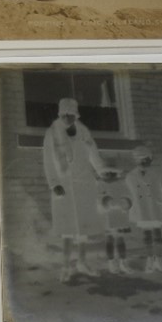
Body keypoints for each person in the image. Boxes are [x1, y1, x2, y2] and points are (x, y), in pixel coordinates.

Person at [42, 97, 107, 283]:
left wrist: (102, 172)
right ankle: (66, 266)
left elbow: (94, 154)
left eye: (71, 114)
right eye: (64, 115)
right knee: (68, 230)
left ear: (76, 115)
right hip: (65, 187)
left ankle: (82, 262)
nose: (67, 118)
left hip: (84, 184)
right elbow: (48, 160)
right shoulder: (52, 133)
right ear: (59, 114)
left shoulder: (84, 132)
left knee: (83, 229)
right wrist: (54, 184)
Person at [126, 144, 162, 273]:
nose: (142, 162)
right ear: (135, 161)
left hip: (156, 208)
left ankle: (159, 258)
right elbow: (129, 194)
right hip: (142, 209)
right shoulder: (130, 176)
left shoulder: (158, 173)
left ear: (151, 159)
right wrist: (129, 208)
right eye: (139, 159)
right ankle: (149, 259)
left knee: (157, 234)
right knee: (147, 235)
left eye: (145, 159)